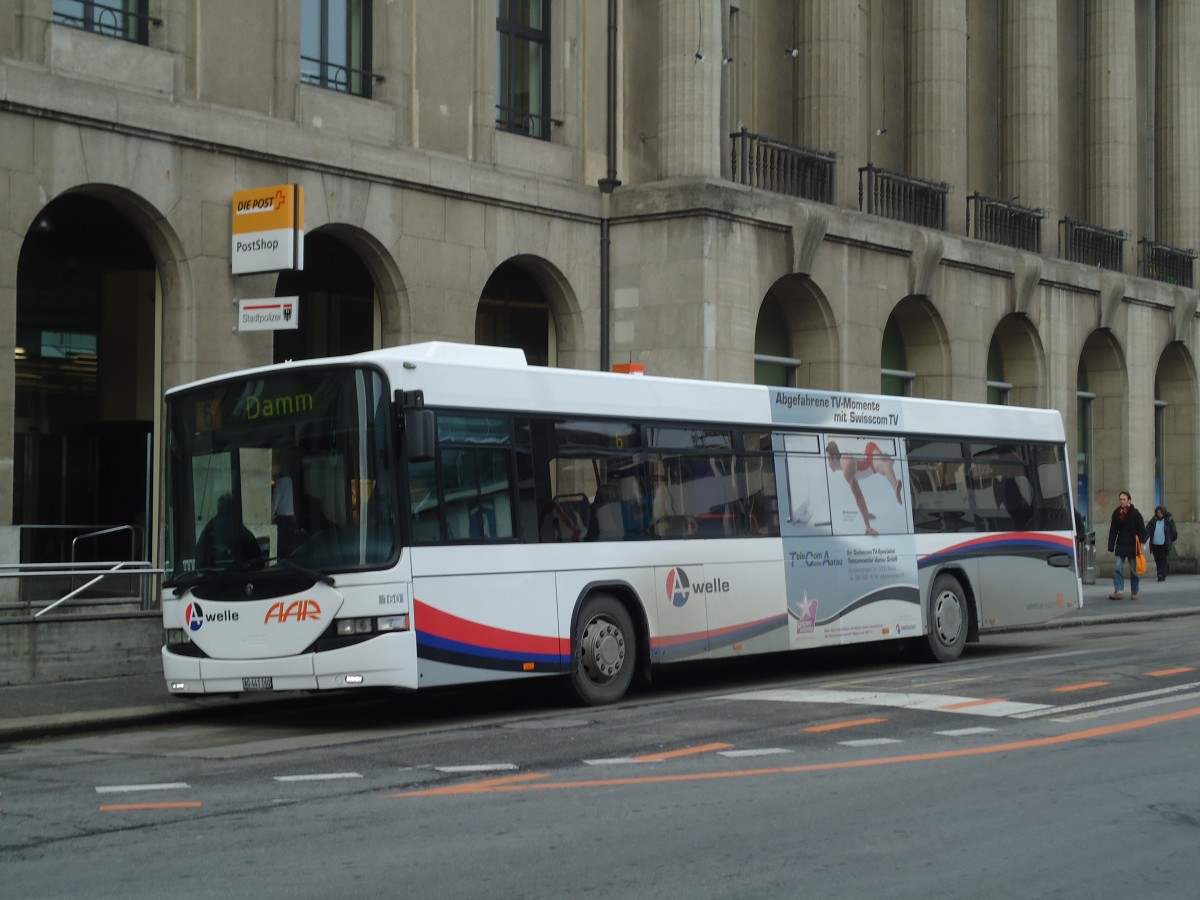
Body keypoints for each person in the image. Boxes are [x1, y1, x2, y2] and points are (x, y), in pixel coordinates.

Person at [826, 440, 903, 537]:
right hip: (869, 450)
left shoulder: (846, 467)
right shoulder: (844, 461)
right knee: (883, 464)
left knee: (882, 465)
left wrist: (868, 527)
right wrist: (866, 513)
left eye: (828, 459)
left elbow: (858, 496)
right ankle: (893, 481)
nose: (828, 464)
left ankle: (893, 479)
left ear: (833, 458)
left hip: (870, 461)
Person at [195, 493, 262, 568]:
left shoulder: (210, 527)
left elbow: (198, 559)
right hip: (221, 575)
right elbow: (258, 560)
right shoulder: (238, 528)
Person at [1106, 490, 1146, 600]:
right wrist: (1111, 545)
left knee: (1134, 570)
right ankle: (1118, 590)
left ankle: (1135, 592)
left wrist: (1141, 539)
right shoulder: (1117, 513)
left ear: (1129, 500)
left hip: (1133, 545)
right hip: (1121, 544)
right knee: (1118, 567)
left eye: (1124, 499)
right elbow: (1113, 530)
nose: (1122, 501)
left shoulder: (1135, 514)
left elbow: (1142, 529)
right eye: (1120, 499)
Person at [1146, 505, 1178, 582]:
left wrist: (1170, 540)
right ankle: (1160, 572)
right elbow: (1147, 530)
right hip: (1155, 544)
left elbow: (1174, 532)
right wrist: (1144, 538)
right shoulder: (1153, 520)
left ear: (1164, 513)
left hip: (1164, 544)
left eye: (1161, 513)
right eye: (1158, 513)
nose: (1159, 514)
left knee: (1163, 559)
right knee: (1157, 559)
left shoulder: (1168, 520)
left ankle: (1161, 574)